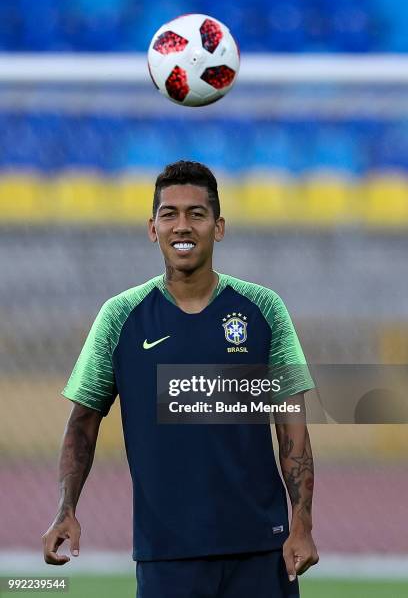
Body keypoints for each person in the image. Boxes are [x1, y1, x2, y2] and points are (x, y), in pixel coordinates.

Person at [42, 160, 319, 597]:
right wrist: (66, 508)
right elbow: (82, 423)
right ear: (152, 228)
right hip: (166, 555)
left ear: (219, 226)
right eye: (169, 214)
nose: (182, 226)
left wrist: (301, 522)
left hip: (260, 551)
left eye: (197, 213)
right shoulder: (120, 316)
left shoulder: (264, 309)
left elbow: (292, 428)